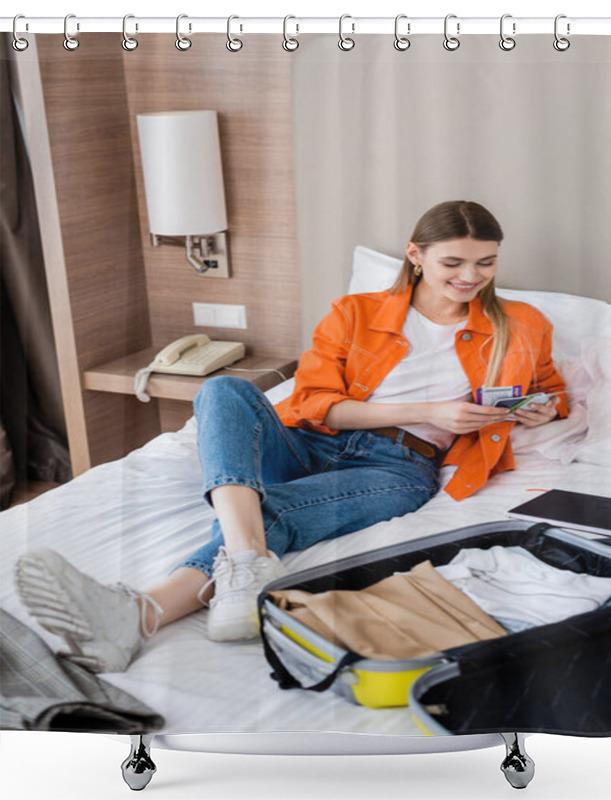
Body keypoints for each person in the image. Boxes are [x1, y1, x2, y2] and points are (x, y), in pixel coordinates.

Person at [14, 200, 568, 673]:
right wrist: (432, 410)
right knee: (221, 391)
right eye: (454, 262)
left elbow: (549, 390)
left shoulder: (520, 323)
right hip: (310, 442)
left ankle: (143, 611)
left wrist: (540, 410)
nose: (470, 277)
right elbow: (313, 405)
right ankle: (245, 566)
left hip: (398, 468)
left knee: (270, 510)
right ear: (415, 255)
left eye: (486, 262)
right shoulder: (355, 313)